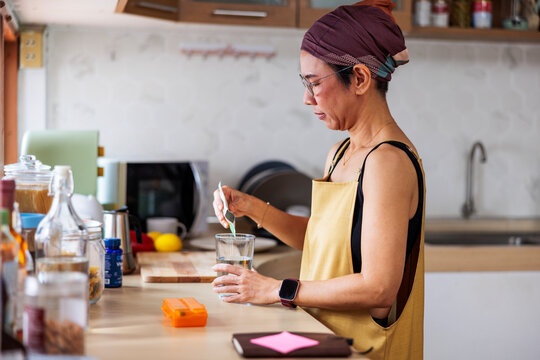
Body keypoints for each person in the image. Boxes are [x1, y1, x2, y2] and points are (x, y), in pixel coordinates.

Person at [212, 1, 425, 358]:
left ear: (359, 78)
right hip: (325, 340)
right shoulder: (340, 153)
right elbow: (322, 240)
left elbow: (379, 288)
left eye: (314, 83)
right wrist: (249, 206)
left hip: (366, 352)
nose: (307, 98)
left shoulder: (388, 162)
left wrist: (277, 289)